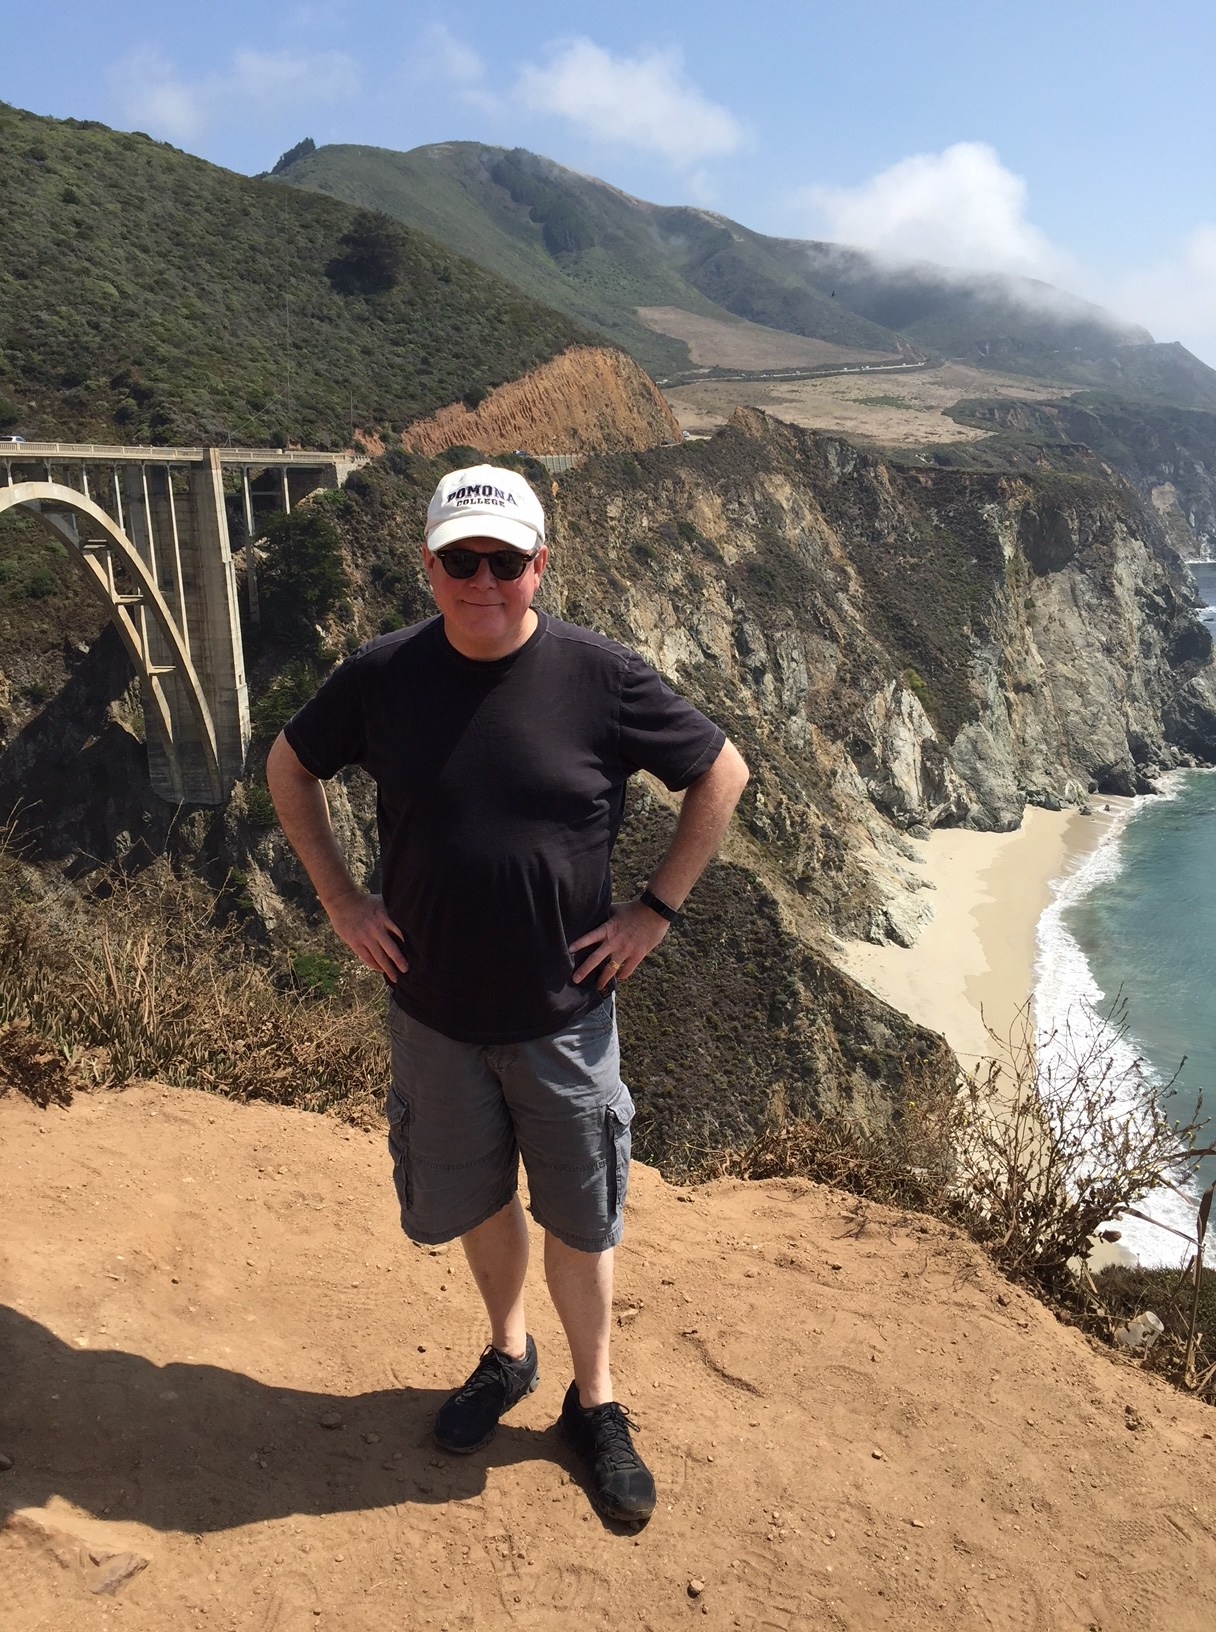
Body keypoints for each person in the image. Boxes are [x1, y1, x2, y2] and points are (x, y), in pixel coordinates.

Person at [267, 462, 748, 1524]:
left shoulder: (600, 678)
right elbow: (288, 766)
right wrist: (342, 898)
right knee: (479, 1197)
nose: (481, 581)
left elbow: (721, 772)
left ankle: (597, 1399)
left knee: (581, 1215)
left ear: (540, 564)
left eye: (503, 561)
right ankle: (508, 1353)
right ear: (429, 566)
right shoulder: (379, 677)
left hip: (562, 1019)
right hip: (432, 1013)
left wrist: (652, 912)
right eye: (458, 560)